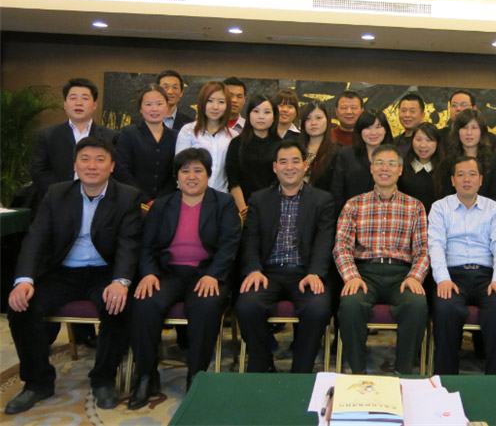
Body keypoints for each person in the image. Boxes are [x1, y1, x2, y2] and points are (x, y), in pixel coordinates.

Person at [6, 137, 144, 415]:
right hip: (63, 272)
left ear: (112, 166)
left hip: (105, 272)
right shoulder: (57, 194)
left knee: (118, 306)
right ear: (75, 165)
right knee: (21, 306)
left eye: (100, 160)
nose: (92, 166)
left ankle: (103, 379)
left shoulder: (128, 196)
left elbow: (129, 243)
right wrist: (23, 281)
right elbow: (36, 238)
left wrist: (121, 281)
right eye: (85, 159)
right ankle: (37, 382)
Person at [128, 148, 240, 408]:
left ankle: (196, 376)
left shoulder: (223, 203)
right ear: (176, 176)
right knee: (144, 303)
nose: (191, 176)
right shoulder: (162, 205)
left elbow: (229, 245)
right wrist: (148, 273)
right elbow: (146, 246)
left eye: (198, 170)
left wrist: (213, 275)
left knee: (205, 306)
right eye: (185, 170)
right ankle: (146, 376)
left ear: (208, 175)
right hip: (168, 272)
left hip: (207, 272)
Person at [235, 140, 336, 373]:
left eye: (295, 161)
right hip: (267, 273)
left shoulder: (322, 200)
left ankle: (301, 371)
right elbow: (250, 239)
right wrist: (253, 270)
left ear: (305, 166)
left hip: (305, 273)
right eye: (283, 162)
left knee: (318, 308)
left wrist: (315, 273)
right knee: (247, 306)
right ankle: (263, 364)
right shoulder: (259, 199)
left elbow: (324, 241)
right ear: (275, 167)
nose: (289, 167)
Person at [334, 145, 429, 375]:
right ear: (371, 168)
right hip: (365, 273)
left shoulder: (415, 206)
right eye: (379, 163)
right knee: (350, 305)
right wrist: (351, 277)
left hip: (402, 275)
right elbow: (342, 246)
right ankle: (357, 372)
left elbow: (423, 249)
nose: (385, 168)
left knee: (417, 305)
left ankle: (404, 373)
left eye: (391, 164)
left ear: (400, 170)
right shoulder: (354, 204)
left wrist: (415, 277)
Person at [428, 156, 496, 375]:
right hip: (452, 275)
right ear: (452, 180)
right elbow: (435, 245)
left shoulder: (494, 209)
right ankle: (446, 380)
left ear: (481, 180)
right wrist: (443, 279)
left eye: (472, 174)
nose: (466, 179)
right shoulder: (440, 208)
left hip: (486, 276)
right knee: (446, 308)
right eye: (461, 174)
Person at [30, 78, 118, 200]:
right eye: (73, 98)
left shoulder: (111, 136)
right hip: (56, 200)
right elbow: (39, 171)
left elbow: (115, 172)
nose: (78, 103)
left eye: (85, 98)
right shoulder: (47, 135)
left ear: (94, 105)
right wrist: (62, 194)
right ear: (65, 104)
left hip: (98, 200)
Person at [114, 84, 178, 200]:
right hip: (132, 199)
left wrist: (161, 200)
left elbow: (177, 171)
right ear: (140, 108)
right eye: (148, 104)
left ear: (167, 106)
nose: (154, 109)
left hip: (166, 200)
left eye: (159, 104)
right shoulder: (129, 133)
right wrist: (142, 198)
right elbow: (121, 169)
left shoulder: (176, 136)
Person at [175, 81, 235, 193]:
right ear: (202, 103)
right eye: (210, 101)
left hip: (221, 196)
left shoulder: (233, 136)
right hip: (192, 194)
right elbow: (181, 167)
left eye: (221, 102)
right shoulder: (188, 131)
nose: (215, 107)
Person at [225, 95, 281, 213]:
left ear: (274, 117)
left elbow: (279, 182)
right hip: (241, 209)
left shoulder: (281, 146)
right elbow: (233, 181)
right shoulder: (236, 143)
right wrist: (244, 210)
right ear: (249, 115)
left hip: (272, 208)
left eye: (267, 112)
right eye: (256, 111)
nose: (261, 116)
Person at [330, 110, 394, 211]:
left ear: (386, 130)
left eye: (378, 127)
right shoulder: (346, 155)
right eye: (368, 127)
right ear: (360, 130)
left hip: (389, 215)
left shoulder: (395, 156)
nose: (373, 133)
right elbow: (337, 193)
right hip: (352, 215)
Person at [445, 109, 496, 203]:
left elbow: (495, 195)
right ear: (457, 131)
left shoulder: (493, 161)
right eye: (464, 127)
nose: (469, 133)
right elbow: (445, 195)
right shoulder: (449, 160)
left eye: (474, 128)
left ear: (481, 131)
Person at [398, 122, 447, 214]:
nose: (423, 145)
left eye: (429, 140)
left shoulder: (445, 169)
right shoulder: (403, 166)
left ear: (437, 143)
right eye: (419, 139)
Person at [299, 100, 340, 192]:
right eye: (308, 118)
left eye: (318, 118)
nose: (313, 123)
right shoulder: (294, 148)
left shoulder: (336, 152)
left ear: (327, 120)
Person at [395, 92, 426, 156]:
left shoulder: (429, 142)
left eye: (412, 111)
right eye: (403, 111)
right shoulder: (393, 142)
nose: (407, 115)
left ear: (422, 115)